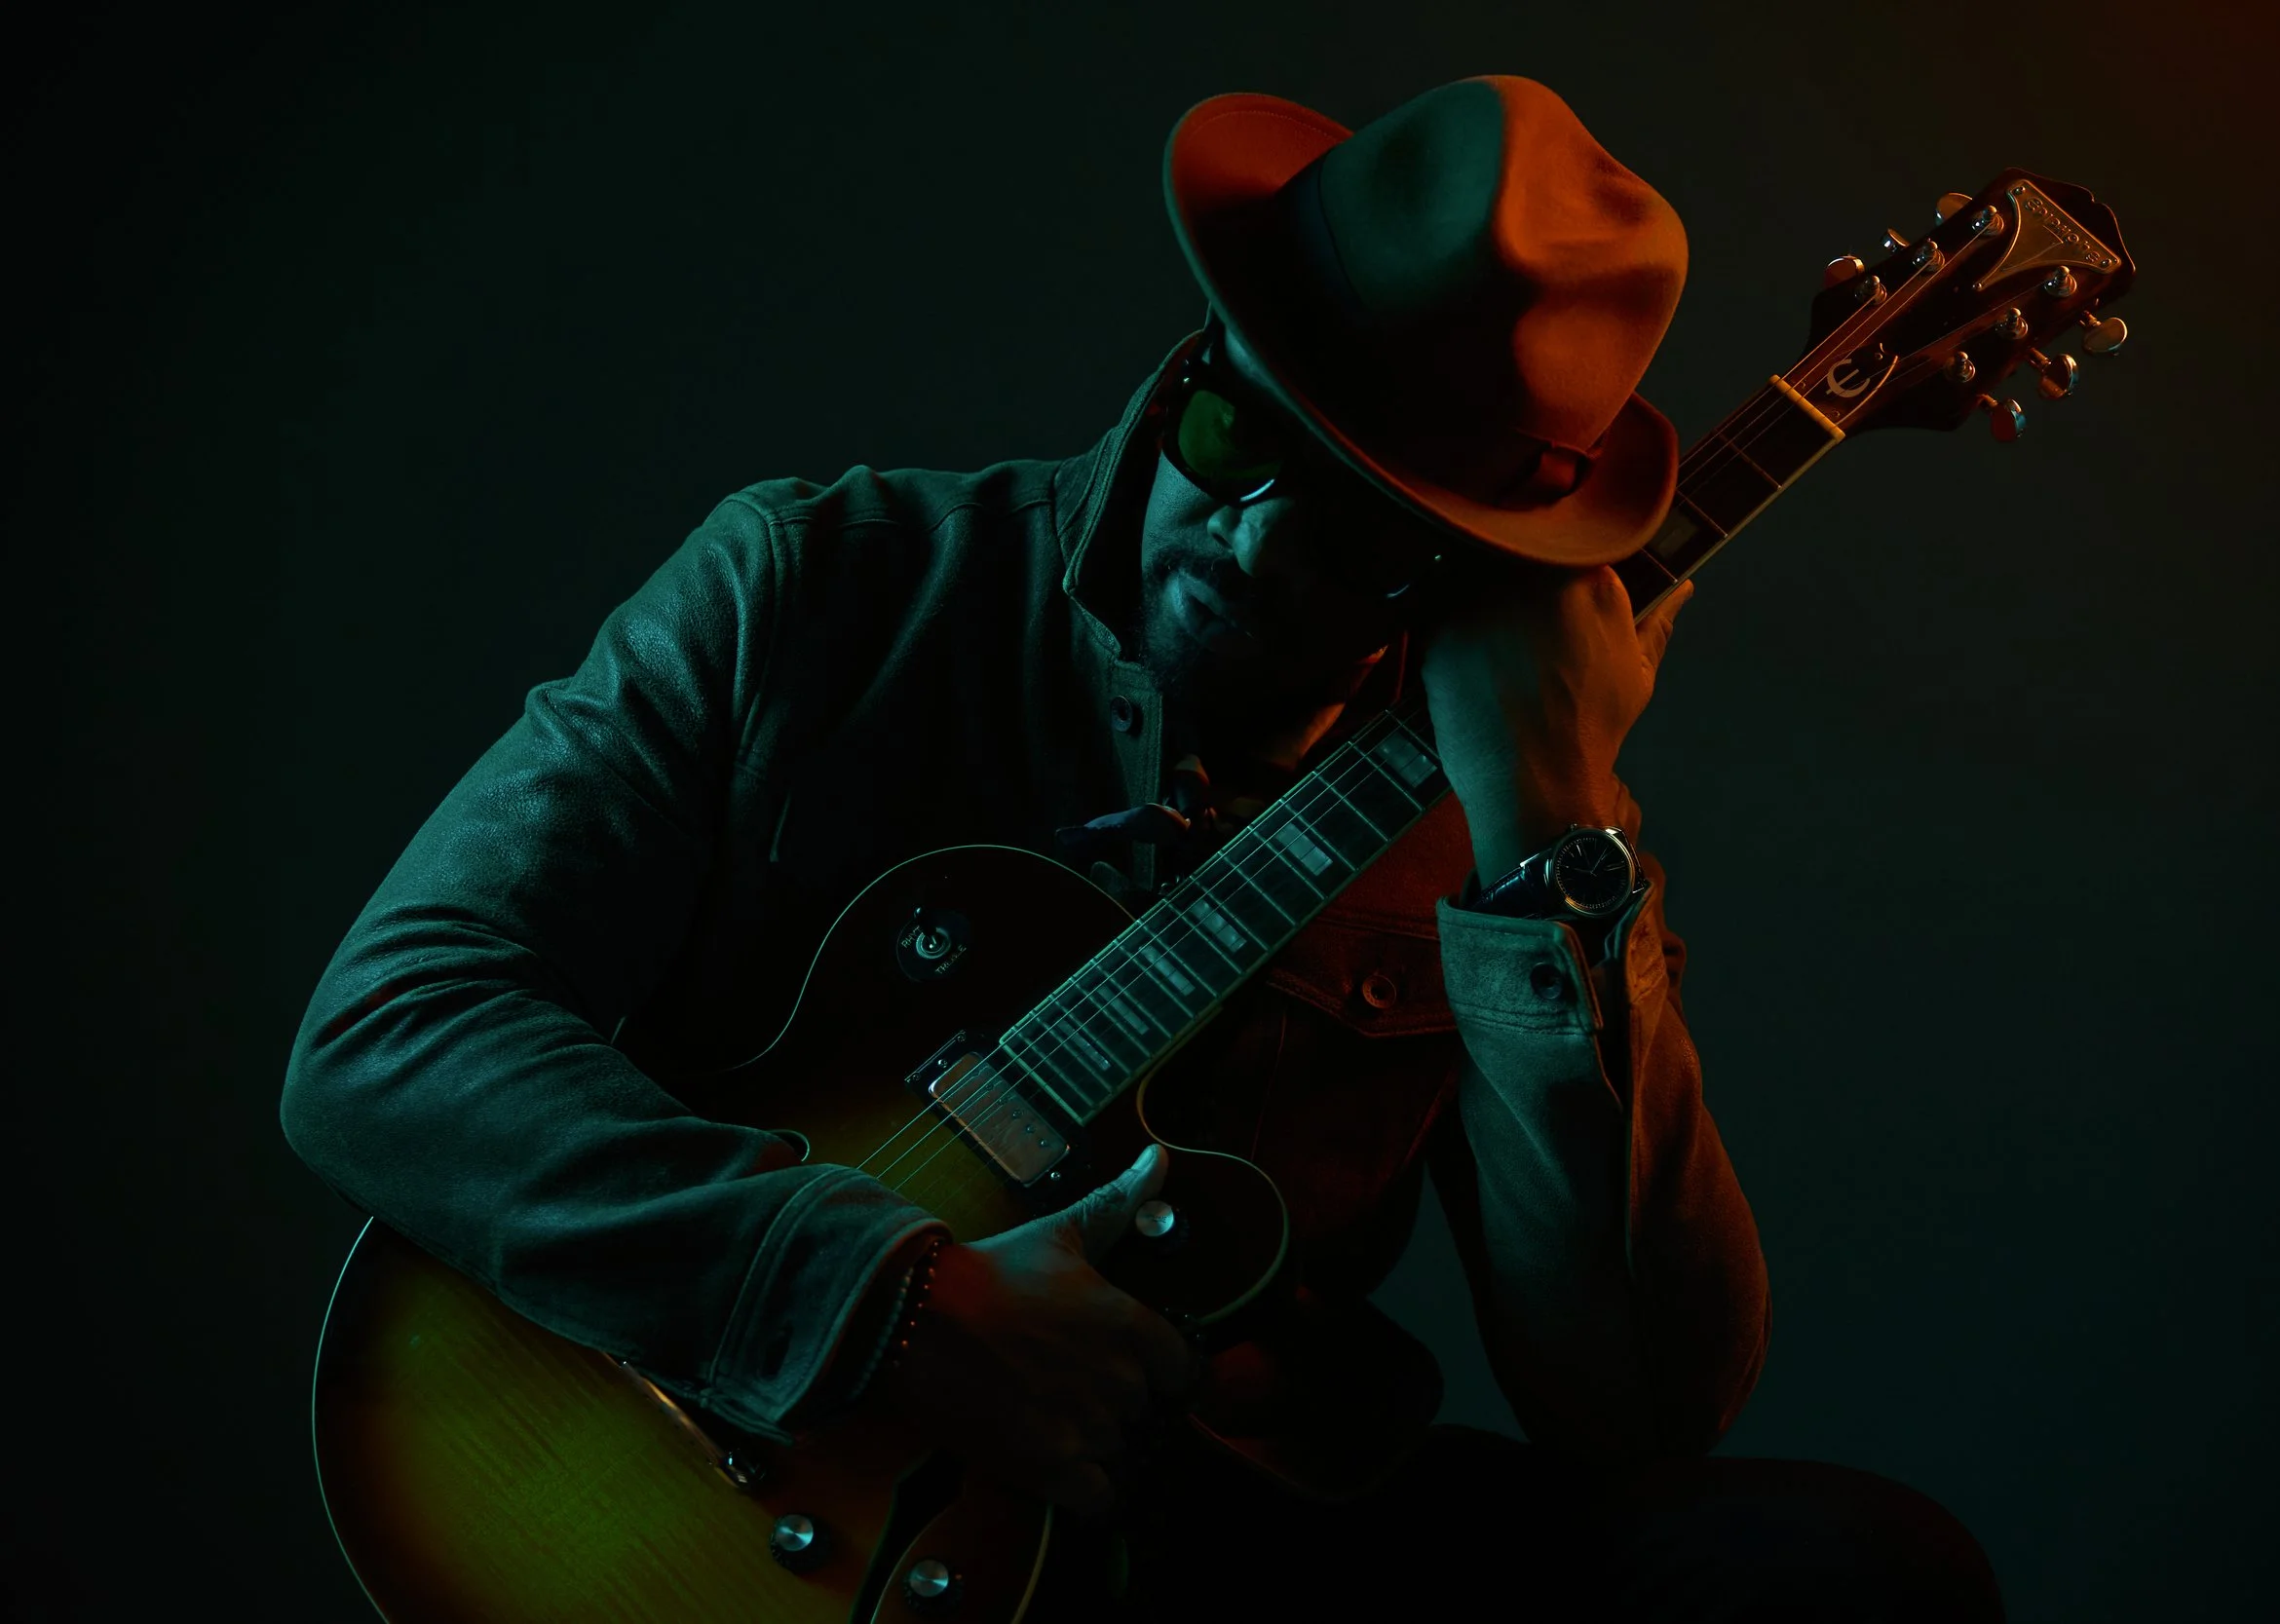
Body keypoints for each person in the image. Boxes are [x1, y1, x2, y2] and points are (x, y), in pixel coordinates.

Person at [284, 75, 2001, 1620]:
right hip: (792, 1455)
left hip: (1236, 1507)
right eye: (1232, 431)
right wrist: (891, 1300)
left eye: (1349, 528)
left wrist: (1551, 833)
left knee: (1855, 1579)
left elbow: (1635, 1405)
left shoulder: (1504, 795)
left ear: (1482, 557)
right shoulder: (818, 589)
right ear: (1193, 359)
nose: (1246, 539)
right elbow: (388, 1034)